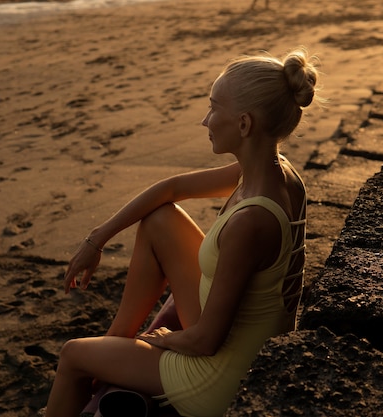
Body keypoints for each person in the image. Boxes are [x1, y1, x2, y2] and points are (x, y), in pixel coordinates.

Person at [44, 48, 319, 417]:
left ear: (244, 124)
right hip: (244, 338)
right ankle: (114, 343)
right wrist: (98, 237)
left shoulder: (251, 221)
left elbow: (205, 341)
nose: (205, 120)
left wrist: (160, 340)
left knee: (73, 355)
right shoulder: (274, 170)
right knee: (160, 220)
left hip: (223, 375)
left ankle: (107, 357)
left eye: (213, 107)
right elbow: (170, 190)